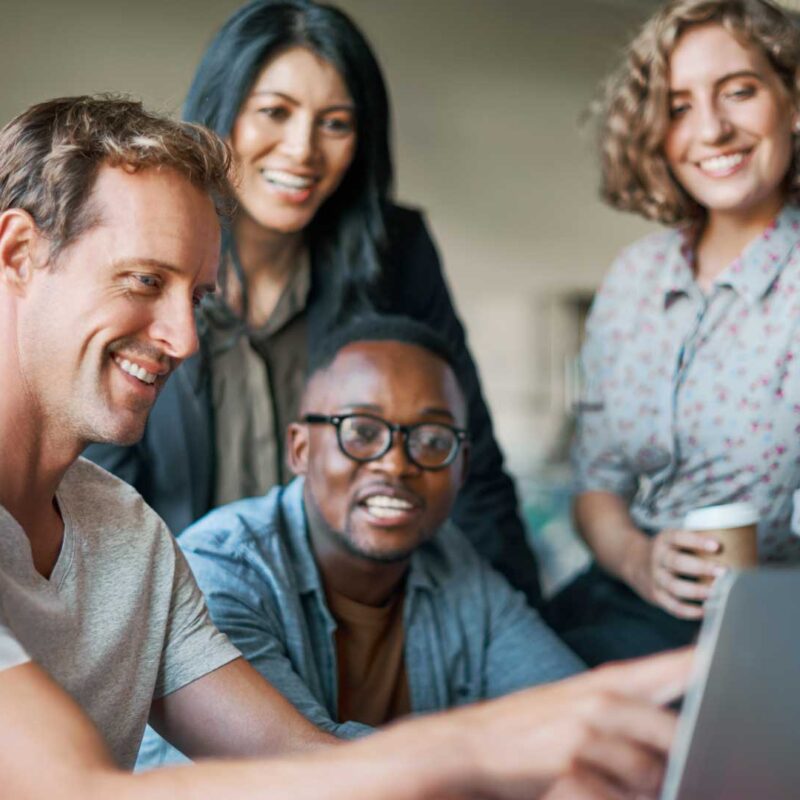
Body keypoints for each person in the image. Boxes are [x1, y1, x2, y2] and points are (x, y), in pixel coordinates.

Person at [0, 93, 689, 800]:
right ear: (19, 252)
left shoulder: (129, 538)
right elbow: (69, 789)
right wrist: (478, 746)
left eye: (197, 298)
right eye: (145, 281)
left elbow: (304, 763)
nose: (185, 339)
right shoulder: (220, 556)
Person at [84, 0, 543, 607]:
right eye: (275, 112)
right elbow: (98, 488)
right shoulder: (144, 260)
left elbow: (468, 461)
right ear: (222, 115)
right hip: (178, 613)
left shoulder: (396, 255)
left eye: (335, 123)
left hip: (353, 615)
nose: (303, 149)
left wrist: (520, 629)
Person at [139, 315, 584, 767]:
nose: (395, 465)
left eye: (432, 439)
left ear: (462, 468)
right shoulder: (218, 568)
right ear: (301, 450)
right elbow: (304, 769)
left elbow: (575, 717)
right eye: (362, 432)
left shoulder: (453, 565)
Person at [546, 0, 800, 666]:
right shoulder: (634, 279)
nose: (712, 129)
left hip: (765, 622)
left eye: (739, 92)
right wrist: (637, 558)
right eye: (680, 105)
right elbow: (596, 483)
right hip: (621, 598)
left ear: (793, 101)